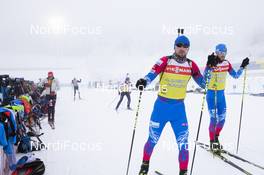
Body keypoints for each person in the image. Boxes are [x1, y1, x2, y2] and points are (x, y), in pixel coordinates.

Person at [135, 35, 209, 175]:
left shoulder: (191, 65)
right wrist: (143, 81)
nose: (182, 48)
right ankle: (144, 166)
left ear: (188, 49)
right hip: (161, 108)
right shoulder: (165, 60)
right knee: (152, 140)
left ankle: (183, 172)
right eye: (179, 45)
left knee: (183, 144)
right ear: (174, 46)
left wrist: (209, 68)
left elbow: (205, 84)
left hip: (179, 111)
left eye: (185, 46)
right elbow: (151, 74)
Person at [204, 44, 249, 152]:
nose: (222, 55)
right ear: (216, 52)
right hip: (211, 94)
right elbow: (205, 77)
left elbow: (236, 75)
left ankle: (216, 137)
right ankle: (212, 142)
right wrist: (209, 66)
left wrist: (242, 67)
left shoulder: (226, 64)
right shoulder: (211, 63)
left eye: (224, 53)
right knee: (214, 119)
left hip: (221, 95)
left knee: (222, 119)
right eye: (220, 52)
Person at [0, 107, 17, 171]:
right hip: (10, 136)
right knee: (11, 150)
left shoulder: (6, 112)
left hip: (7, 137)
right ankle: (13, 166)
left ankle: (12, 167)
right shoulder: (7, 112)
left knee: (9, 151)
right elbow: (13, 126)